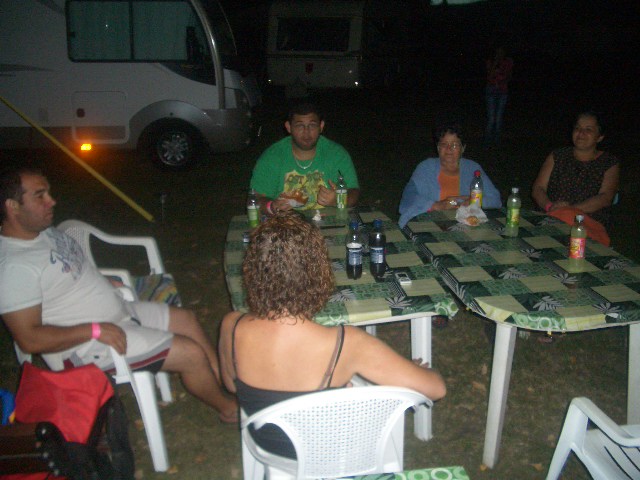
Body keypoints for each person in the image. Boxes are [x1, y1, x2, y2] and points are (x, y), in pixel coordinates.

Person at [0, 166, 238, 423]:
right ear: (13, 206)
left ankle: (228, 385)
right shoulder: (13, 268)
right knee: (190, 354)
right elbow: (29, 340)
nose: (52, 201)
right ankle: (229, 409)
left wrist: (104, 282)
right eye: (40, 196)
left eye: (48, 193)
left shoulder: (41, 232)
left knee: (186, 319)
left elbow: (66, 273)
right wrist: (93, 330)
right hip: (90, 345)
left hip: (118, 312)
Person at [218, 212, 446, 459]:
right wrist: (415, 372)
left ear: (253, 271)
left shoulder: (232, 325)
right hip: (331, 451)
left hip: (267, 444)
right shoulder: (346, 343)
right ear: (317, 271)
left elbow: (231, 385)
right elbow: (436, 389)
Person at [250, 102, 360, 214]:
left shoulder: (336, 154)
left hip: (328, 220)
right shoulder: (272, 157)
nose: (306, 132)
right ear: (289, 127)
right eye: (299, 126)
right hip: (284, 221)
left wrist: (338, 199)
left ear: (321, 126)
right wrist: (272, 206)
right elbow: (256, 198)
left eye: (312, 125)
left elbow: (354, 192)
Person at [398, 122, 502, 229]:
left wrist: (472, 200)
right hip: (430, 224)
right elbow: (407, 199)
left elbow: (495, 199)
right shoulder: (426, 168)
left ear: (463, 148)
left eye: (455, 145)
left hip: (466, 226)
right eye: (444, 144)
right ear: (438, 147)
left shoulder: (472, 169)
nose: (449, 149)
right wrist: (436, 205)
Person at [532, 110, 620, 232]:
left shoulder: (608, 162)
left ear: (600, 137)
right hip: (552, 214)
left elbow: (605, 197)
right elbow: (538, 188)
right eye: (577, 128)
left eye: (588, 129)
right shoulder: (558, 156)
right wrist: (550, 206)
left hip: (587, 220)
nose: (581, 133)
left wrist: (570, 210)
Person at [484, 45, 513, 145]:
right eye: (498, 52)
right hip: (491, 91)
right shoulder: (491, 61)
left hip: (502, 91)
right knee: (491, 118)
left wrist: (501, 80)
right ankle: (488, 140)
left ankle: (497, 140)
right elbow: (489, 75)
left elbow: (509, 76)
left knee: (499, 117)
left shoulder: (508, 62)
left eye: (502, 52)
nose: (500, 54)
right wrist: (495, 63)